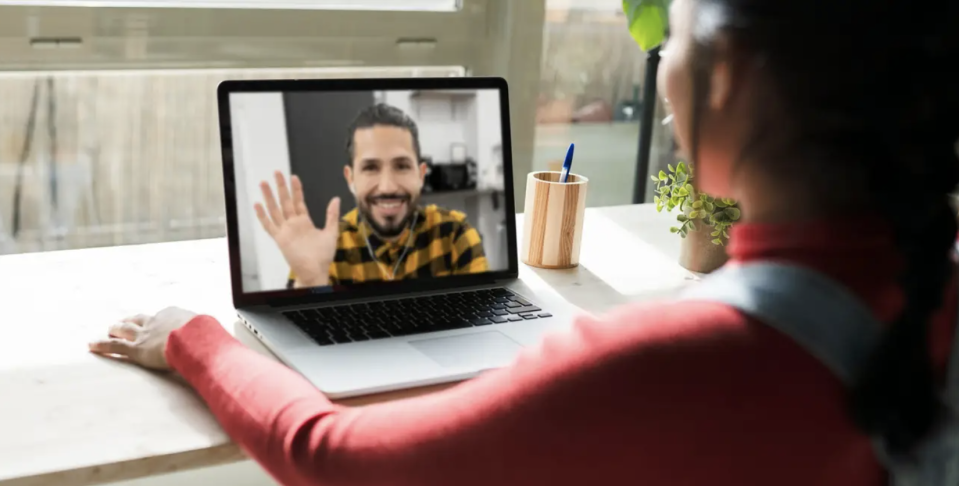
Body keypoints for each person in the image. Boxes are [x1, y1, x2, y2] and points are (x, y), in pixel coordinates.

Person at [89, 0, 959, 484]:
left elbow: (335, 461)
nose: (662, 75)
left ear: (730, 80)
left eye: (678, 39)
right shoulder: (925, 292)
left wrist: (191, 338)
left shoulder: (669, 360)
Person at [253, 103, 489, 289]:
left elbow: (482, 323)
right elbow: (302, 343)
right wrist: (311, 282)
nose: (387, 187)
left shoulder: (456, 233)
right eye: (370, 167)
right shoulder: (326, 249)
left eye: (401, 166)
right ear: (350, 178)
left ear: (421, 174)